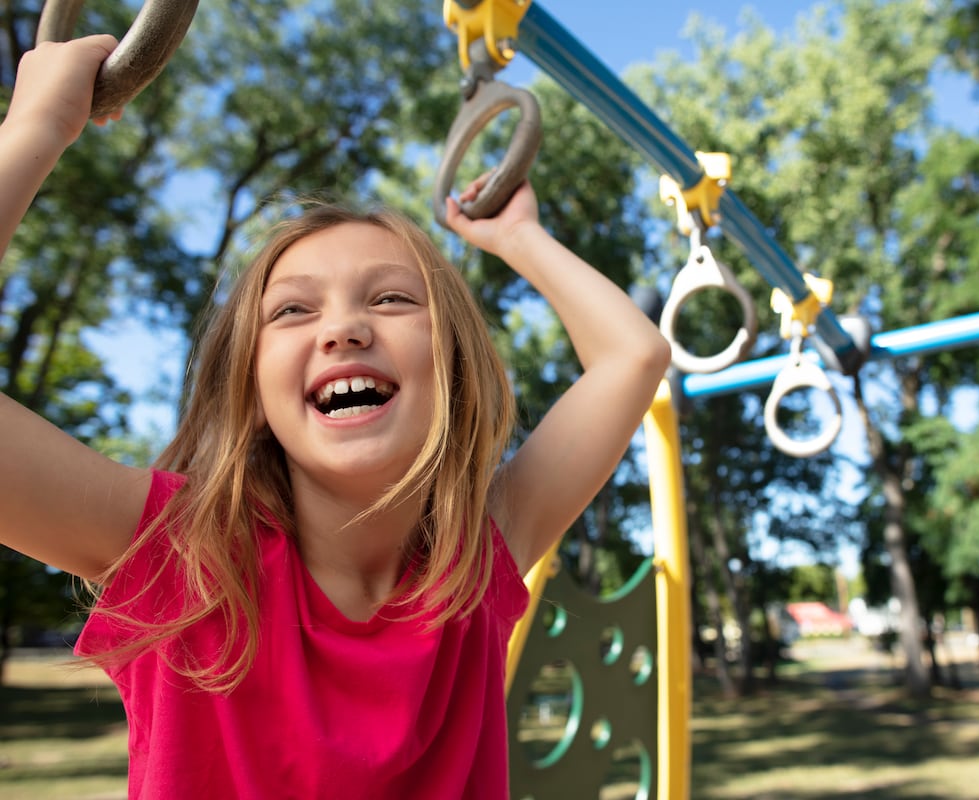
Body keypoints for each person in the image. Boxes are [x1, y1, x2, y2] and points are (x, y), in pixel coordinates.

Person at [0, 36, 671, 799]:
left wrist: (518, 237)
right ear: (250, 390)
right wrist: (36, 128)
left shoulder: (473, 561)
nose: (343, 328)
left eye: (390, 298)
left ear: (451, 365)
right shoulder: (178, 554)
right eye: (292, 311)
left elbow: (633, 356)